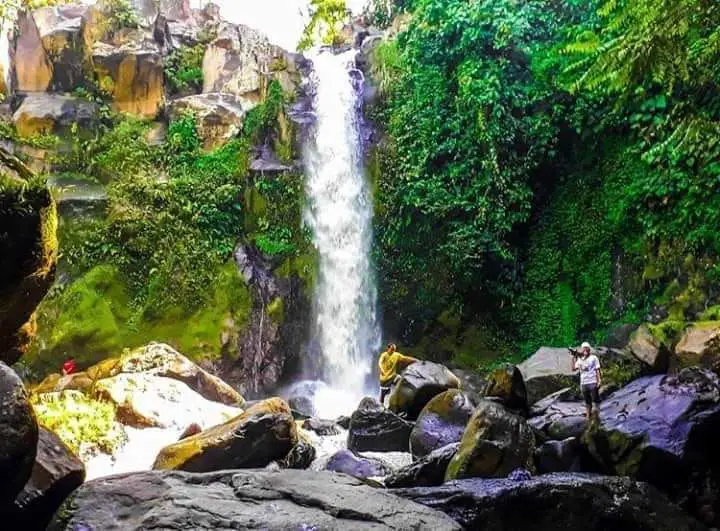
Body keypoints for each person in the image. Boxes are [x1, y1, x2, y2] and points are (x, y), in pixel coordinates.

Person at [570, 341, 601, 419]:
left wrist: (599, 380)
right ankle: (588, 416)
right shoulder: (580, 360)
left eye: (587, 348)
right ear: (582, 350)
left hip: (592, 381)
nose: (585, 350)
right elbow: (573, 369)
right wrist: (573, 357)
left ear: (589, 349)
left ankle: (597, 414)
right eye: (584, 348)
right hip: (584, 383)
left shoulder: (594, 358)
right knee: (587, 401)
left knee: (595, 399)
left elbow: (597, 369)